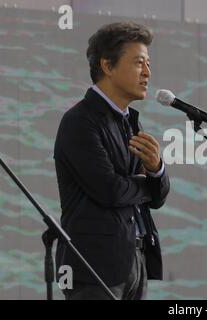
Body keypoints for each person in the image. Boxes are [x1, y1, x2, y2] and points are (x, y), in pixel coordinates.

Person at [53, 22, 170, 300]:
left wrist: (157, 170)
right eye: (139, 63)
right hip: (93, 266)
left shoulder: (130, 121)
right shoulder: (80, 121)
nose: (148, 73)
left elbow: (158, 198)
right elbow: (109, 190)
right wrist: (147, 182)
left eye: (149, 64)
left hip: (134, 259)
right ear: (107, 65)